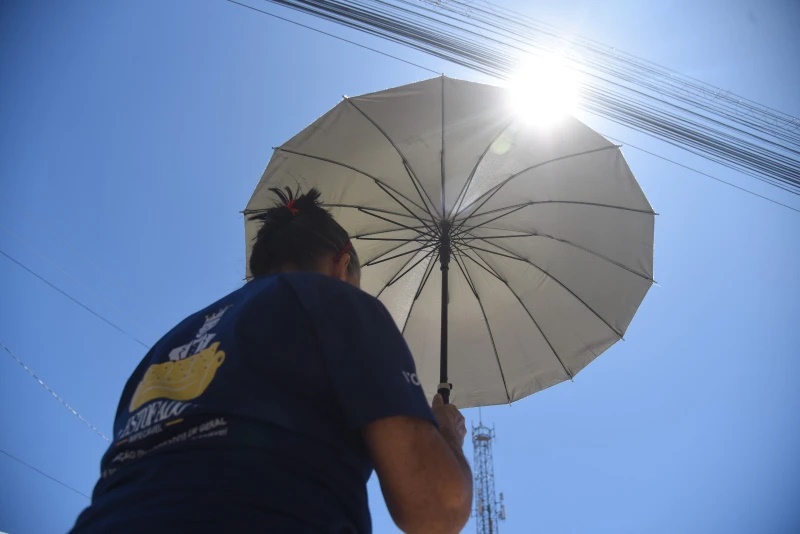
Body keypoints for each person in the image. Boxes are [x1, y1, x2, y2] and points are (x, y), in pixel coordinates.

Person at [71, 188, 472, 533]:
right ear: (342, 263)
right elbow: (437, 511)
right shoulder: (339, 303)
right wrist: (446, 434)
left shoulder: (166, 347)